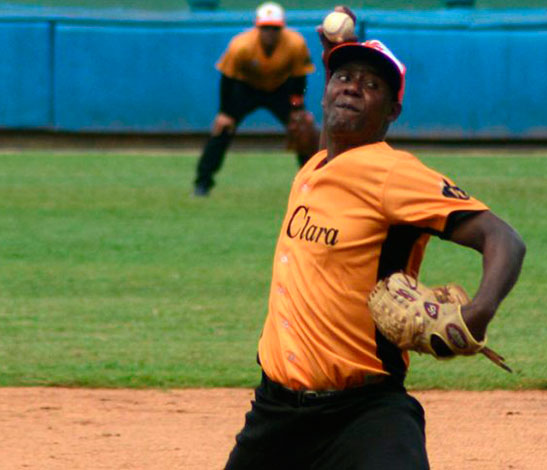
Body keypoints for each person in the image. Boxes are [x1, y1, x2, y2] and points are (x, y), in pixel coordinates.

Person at [224, 36, 526, 469]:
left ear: (392, 111)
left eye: (371, 85)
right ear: (325, 91)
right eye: (343, 78)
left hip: (363, 415)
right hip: (274, 415)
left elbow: (504, 239)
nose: (351, 87)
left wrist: (477, 313)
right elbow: (336, 152)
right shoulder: (314, 167)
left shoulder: (394, 173)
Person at [192, 2, 316, 197]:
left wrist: (296, 108)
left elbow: (299, 80)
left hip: (280, 90)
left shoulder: (295, 44)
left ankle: (313, 185)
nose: (270, 33)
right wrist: (225, 112)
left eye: (274, 28)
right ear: (257, 27)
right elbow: (227, 79)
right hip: (247, 88)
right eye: (265, 27)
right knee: (223, 128)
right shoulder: (241, 45)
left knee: (302, 131)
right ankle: (202, 183)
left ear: (282, 27)